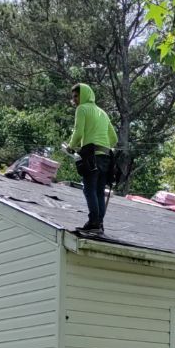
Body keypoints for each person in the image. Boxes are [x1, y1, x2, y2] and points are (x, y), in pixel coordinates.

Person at [67, 82, 119, 236]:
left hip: (91, 156)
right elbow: (114, 138)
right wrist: (103, 144)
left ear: (83, 95)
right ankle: (99, 224)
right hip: (106, 157)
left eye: (76, 96)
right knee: (98, 192)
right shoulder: (102, 112)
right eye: (73, 97)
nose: (74, 100)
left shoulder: (82, 109)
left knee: (89, 189)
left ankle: (93, 222)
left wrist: (71, 146)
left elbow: (78, 132)